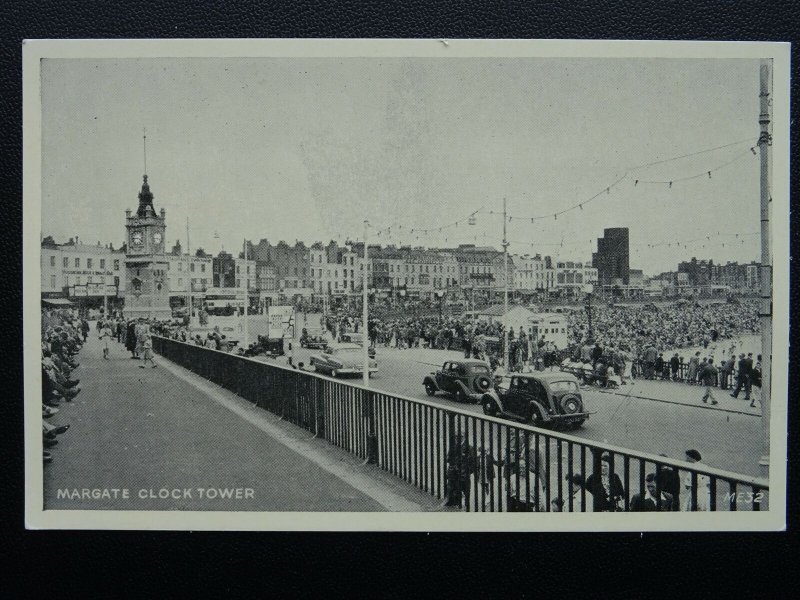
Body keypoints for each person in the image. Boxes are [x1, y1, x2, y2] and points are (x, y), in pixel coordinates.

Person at [444, 434, 475, 510]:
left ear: (463, 437)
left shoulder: (469, 448)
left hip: (464, 474)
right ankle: (456, 504)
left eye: (459, 437)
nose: (457, 438)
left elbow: (473, 462)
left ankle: (465, 506)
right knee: (454, 490)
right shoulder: (453, 447)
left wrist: (468, 471)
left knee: (466, 491)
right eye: (456, 437)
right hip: (454, 473)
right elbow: (448, 459)